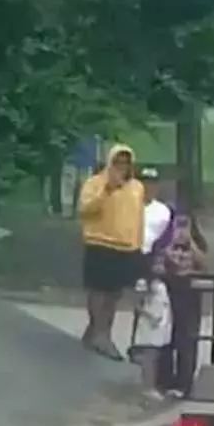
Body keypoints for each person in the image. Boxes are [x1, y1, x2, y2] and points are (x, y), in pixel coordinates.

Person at [77, 144, 146, 360]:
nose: (122, 167)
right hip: (100, 243)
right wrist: (107, 190)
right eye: (118, 163)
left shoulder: (136, 187)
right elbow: (85, 208)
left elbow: (138, 218)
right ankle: (100, 334)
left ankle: (100, 331)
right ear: (110, 163)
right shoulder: (95, 183)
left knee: (114, 293)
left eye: (126, 163)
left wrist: (138, 244)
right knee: (98, 290)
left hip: (126, 246)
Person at [157, 215, 208, 396]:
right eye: (178, 223)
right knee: (166, 335)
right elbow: (161, 262)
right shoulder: (165, 241)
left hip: (190, 292)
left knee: (187, 338)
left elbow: (203, 263)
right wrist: (171, 242)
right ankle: (165, 379)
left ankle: (184, 382)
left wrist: (190, 242)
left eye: (185, 224)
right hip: (169, 289)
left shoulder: (197, 243)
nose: (181, 228)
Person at [128, 254, 172, 398]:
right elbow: (137, 304)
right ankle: (148, 386)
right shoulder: (143, 283)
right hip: (149, 322)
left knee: (156, 354)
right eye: (156, 264)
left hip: (161, 322)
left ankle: (151, 384)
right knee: (149, 355)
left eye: (162, 264)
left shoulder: (162, 283)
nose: (160, 267)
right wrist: (149, 316)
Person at [139, 168, 172, 255]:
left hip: (153, 255)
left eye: (152, 184)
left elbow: (167, 238)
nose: (148, 187)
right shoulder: (128, 206)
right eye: (145, 183)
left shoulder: (164, 211)